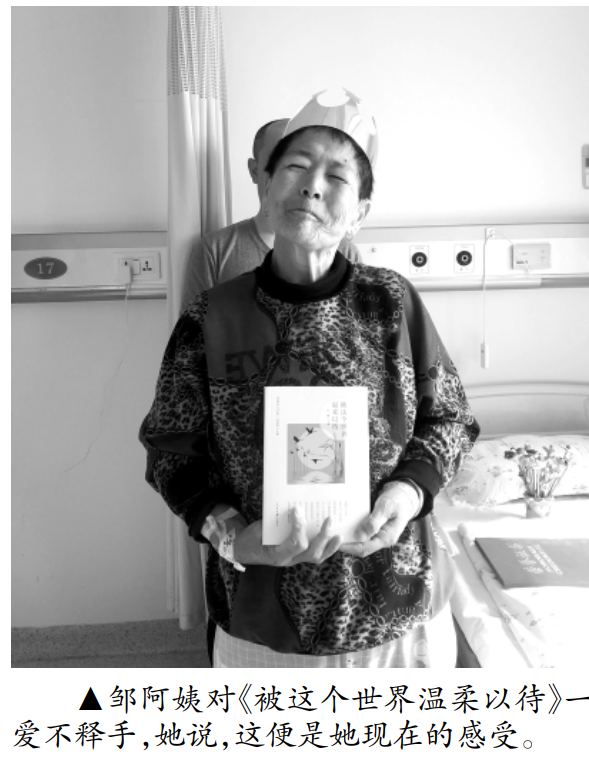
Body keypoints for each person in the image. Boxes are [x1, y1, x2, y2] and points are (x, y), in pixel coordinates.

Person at [140, 87, 479, 667]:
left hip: (397, 609)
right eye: (296, 166)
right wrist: (231, 533)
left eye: (337, 176)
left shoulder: (390, 303)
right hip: (260, 619)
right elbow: (172, 453)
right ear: (268, 186)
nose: (313, 185)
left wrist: (407, 492)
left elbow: (448, 420)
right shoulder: (211, 317)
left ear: (360, 212)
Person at [181, 118, 361, 310]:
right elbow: (193, 325)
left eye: (301, 165)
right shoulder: (215, 250)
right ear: (254, 170)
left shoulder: (345, 252)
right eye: (286, 164)